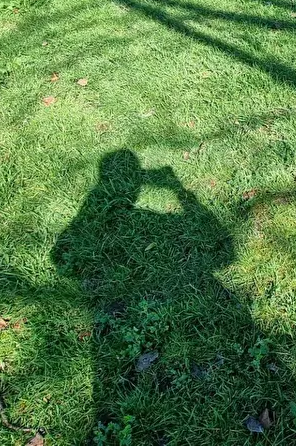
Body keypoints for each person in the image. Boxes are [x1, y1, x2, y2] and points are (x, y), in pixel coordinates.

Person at [54, 150, 266, 443]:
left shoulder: (91, 215)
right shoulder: (103, 217)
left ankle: (112, 426)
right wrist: (180, 192)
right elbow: (224, 253)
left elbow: (63, 256)